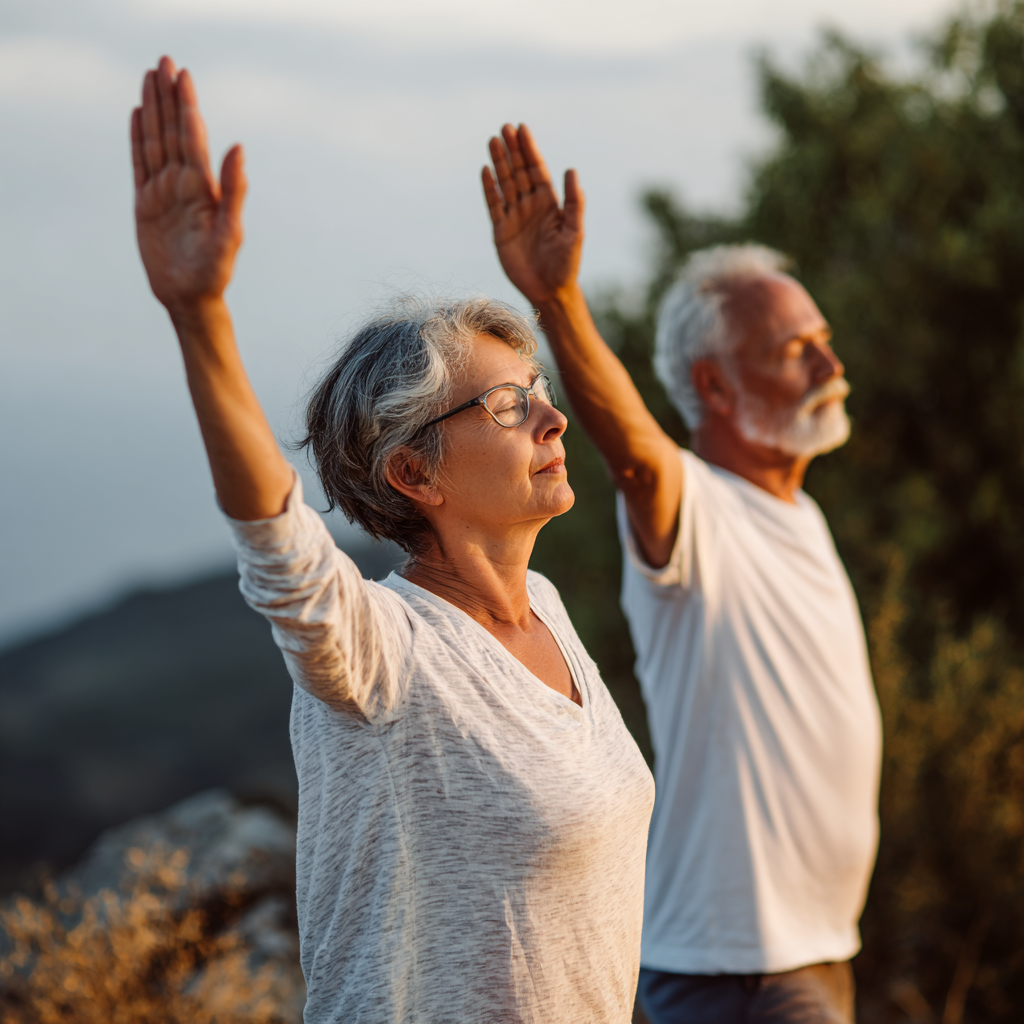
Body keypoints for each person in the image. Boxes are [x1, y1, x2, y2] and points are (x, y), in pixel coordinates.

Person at [130, 59, 654, 1024]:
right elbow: (282, 551)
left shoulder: (544, 609)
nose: (552, 421)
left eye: (540, 395)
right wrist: (199, 315)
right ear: (415, 474)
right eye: (509, 404)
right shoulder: (389, 653)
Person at [481, 124, 882, 1024]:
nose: (831, 366)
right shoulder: (693, 508)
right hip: (734, 975)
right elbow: (637, 459)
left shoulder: (799, 514)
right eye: (795, 351)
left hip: (816, 950)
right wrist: (557, 298)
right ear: (719, 385)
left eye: (822, 340)